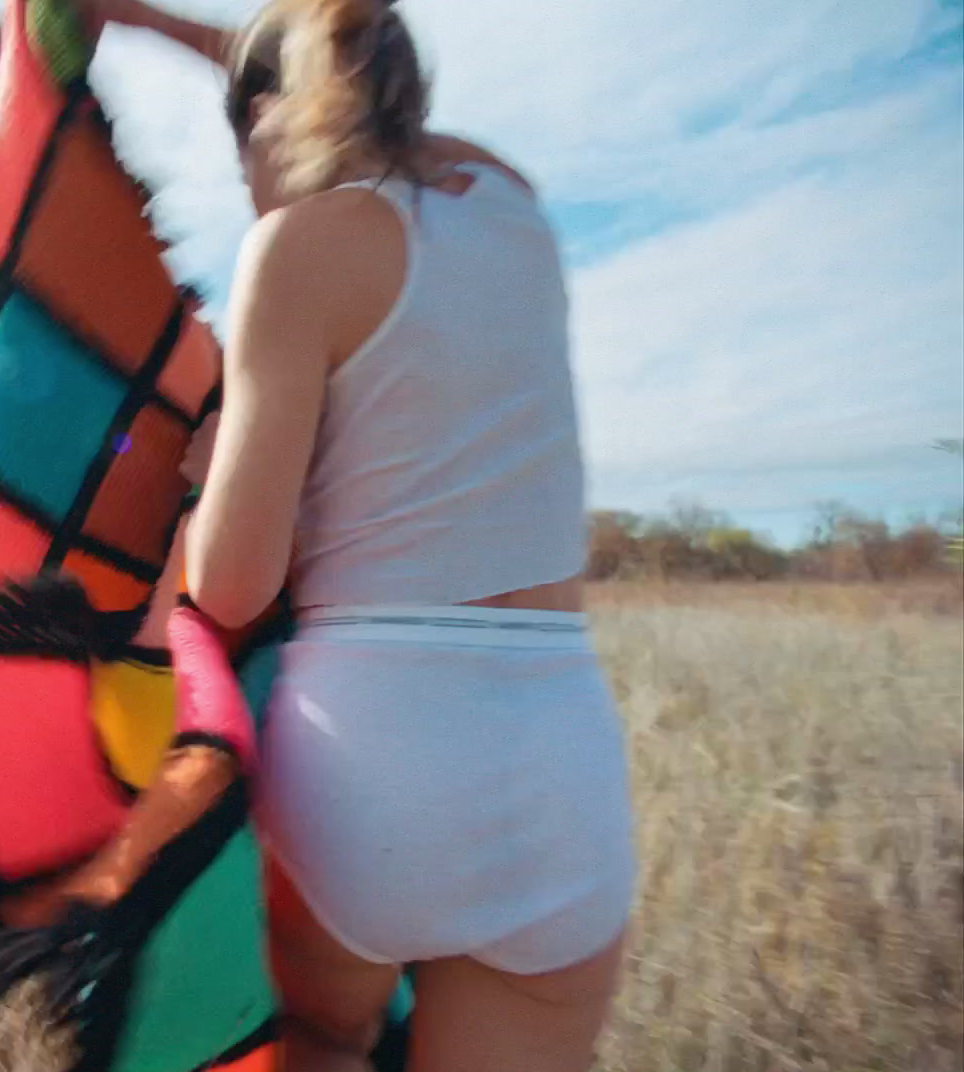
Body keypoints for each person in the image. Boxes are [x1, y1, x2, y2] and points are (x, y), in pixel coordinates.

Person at [76, 2, 638, 1069]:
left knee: (328, 1043)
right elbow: (352, 95)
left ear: (270, 126)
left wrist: (205, 482)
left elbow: (235, 584)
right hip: (561, 765)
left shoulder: (294, 250)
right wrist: (155, 23)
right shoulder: (512, 204)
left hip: (372, 761)